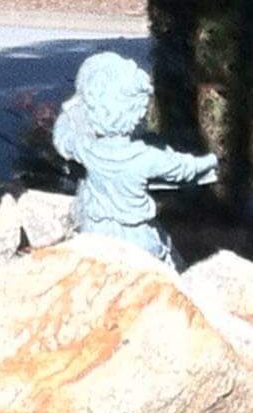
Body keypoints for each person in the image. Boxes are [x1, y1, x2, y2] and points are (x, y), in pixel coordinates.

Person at [53, 52, 218, 268]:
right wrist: (212, 160)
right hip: (136, 240)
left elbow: (63, 136)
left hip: (94, 231)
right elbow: (184, 168)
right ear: (136, 112)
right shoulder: (145, 157)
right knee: (161, 269)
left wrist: (76, 105)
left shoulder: (88, 149)